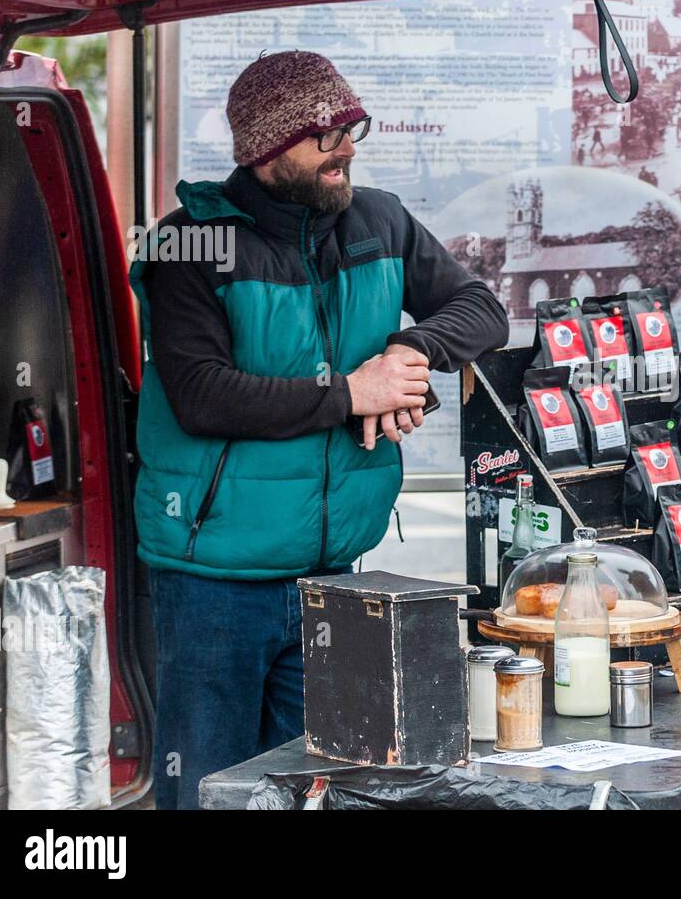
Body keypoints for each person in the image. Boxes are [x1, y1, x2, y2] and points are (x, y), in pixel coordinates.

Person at [130, 51, 509, 808]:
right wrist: (352, 393)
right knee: (209, 792)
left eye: (351, 126)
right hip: (214, 585)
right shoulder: (187, 244)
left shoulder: (379, 219)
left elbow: (482, 310)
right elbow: (204, 396)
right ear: (265, 149)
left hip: (335, 579)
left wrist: (409, 351)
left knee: (321, 792)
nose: (348, 146)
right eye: (325, 134)